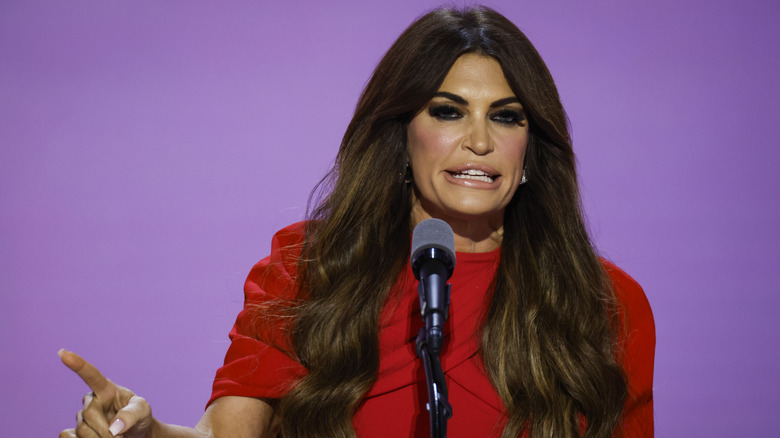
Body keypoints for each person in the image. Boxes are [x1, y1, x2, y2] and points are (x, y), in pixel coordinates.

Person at [60, 5, 654, 438]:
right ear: (401, 136)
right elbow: (226, 435)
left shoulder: (606, 302)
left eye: (505, 117)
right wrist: (146, 435)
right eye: (448, 112)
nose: (478, 141)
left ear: (531, 148)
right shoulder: (311, 269)